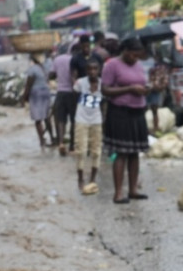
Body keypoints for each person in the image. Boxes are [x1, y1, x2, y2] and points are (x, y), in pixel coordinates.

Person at [101, 36, 151, 204]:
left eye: (138, 56)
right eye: (133, 55)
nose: (135, 58)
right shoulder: (112, 65)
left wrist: (147, 89)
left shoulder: (138, 65)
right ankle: (118, 193)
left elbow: (143, 84)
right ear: (125, 51)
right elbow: (105, 90)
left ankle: (133, 190)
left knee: (134, 153)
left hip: (137, 112)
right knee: (121, 153)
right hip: (119, 113)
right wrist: (129, 88)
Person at [73, 58, 103, 195]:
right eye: (90, 69)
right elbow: (75, 95)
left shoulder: (103, 84)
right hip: (81, 120)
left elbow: (104, 103)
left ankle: (92, 179)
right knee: (81, 150)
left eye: (95, 69)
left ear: (99, 70)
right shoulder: (80, 83)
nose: (92, 72)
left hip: (96, 120)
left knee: (96, 150)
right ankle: (80, 178)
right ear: (86, 71)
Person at [21, 52, 55, 150]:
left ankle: (42, 141)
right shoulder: (47, 66)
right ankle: (52, 138)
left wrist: (24, 97)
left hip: (36, 94)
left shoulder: (32, 70)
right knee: (47, 117)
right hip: (46, 92)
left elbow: (28, 85)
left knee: (38, 120)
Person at [52, 43, 78, 156]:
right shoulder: (73, 59)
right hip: (72, 93)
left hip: (60, 92)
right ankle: (72, 145)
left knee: (61, 120)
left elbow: (51, 75)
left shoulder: (56, 60)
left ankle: (61, 143)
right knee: (74, 120)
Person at [146, 46, 170, 133]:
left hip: (155, 90)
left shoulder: (162, 66)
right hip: (147, 88)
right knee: (145, 108)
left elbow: (165, 78)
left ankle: (155, 128)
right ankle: (147, 128)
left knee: (154, 109)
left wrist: (161, 87)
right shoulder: (149, 64)